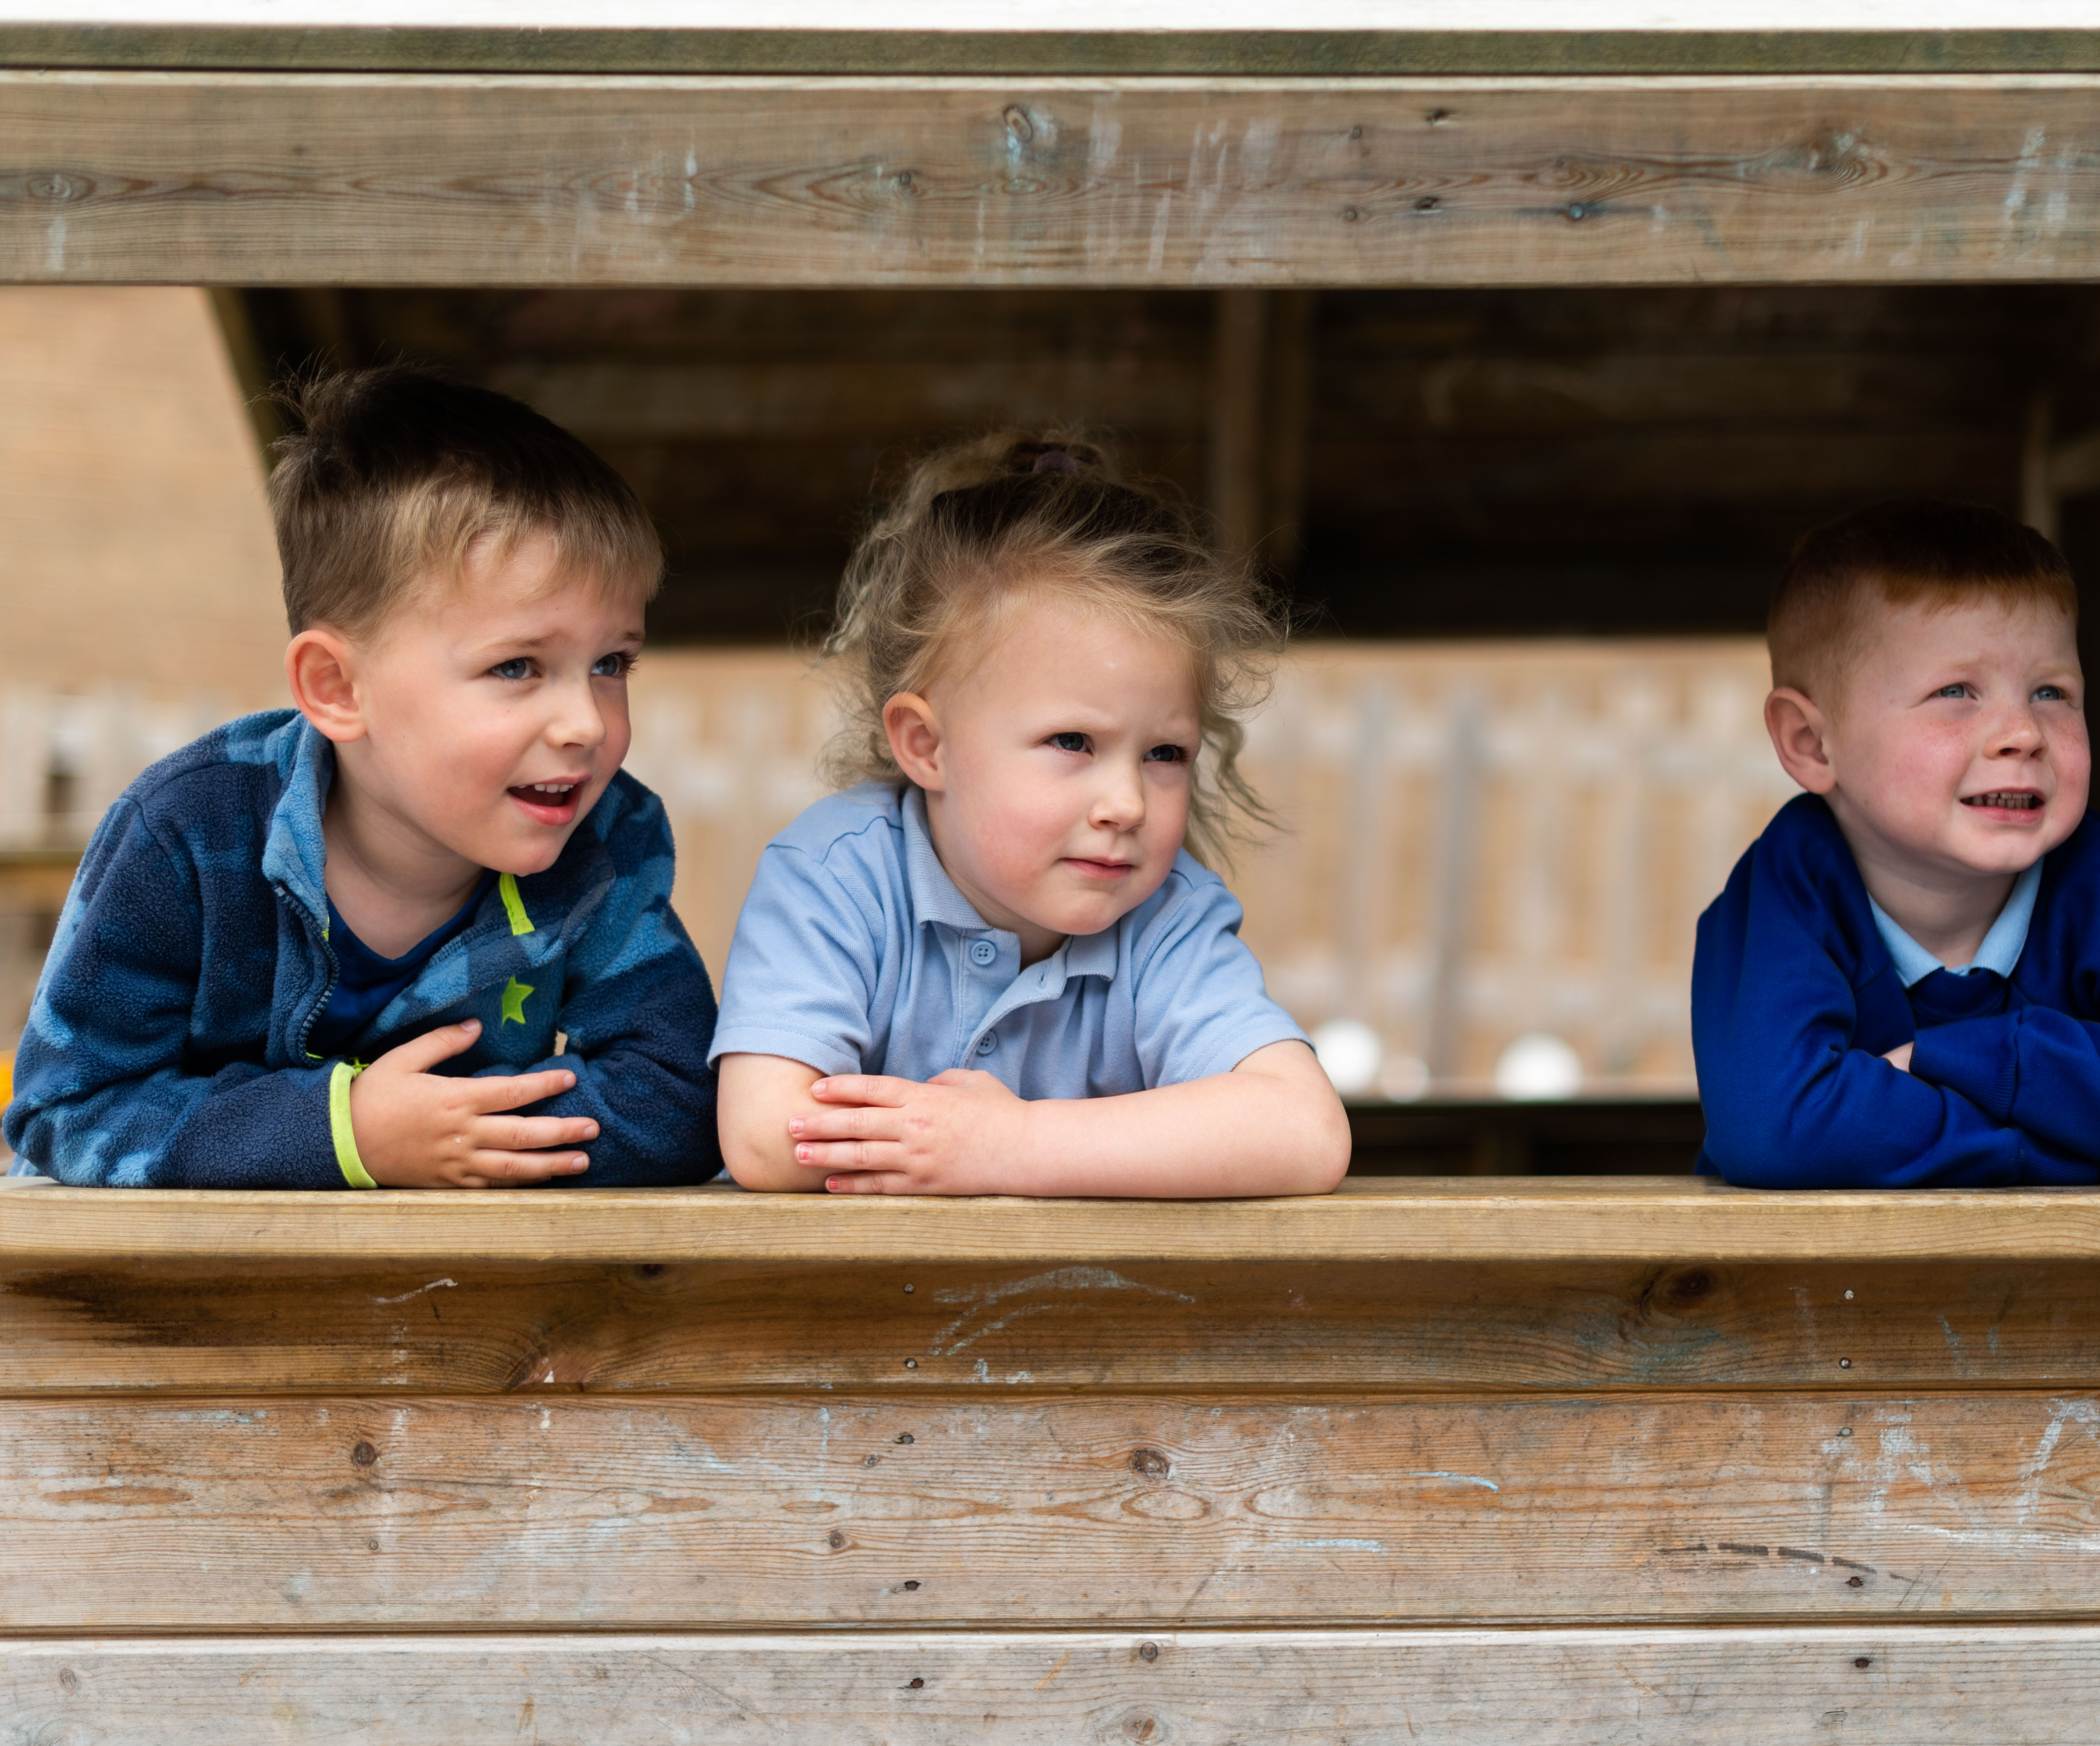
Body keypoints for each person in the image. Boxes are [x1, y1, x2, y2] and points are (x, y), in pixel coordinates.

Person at [4, 367, 721, 1189]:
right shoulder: (188, 834)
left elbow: (682, 1095)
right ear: (338, 689)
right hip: (152, 1305)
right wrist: (343, 1131)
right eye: (518, 665)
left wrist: (456, 1135)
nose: (587, 723)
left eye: (610, 663)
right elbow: (68, 1107)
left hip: (445, 1308)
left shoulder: (604, 841)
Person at [713, 432, 1349, 1196]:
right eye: (1073, 741)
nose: (1126, 805)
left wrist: (1010, 1144)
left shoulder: (1165, 921)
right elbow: (764, 1134)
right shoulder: (836, 875)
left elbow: (1304, 1131)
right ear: (927, 745)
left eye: (1165, 754)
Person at [1692, 499, 2100, 1188]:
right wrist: (2066, 1150)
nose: (2023, 732)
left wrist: (1975, 1059)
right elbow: (1777, 1131)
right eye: (1956, 691)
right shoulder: (1787, 887)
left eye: (2050, 692)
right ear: (1810, 743)